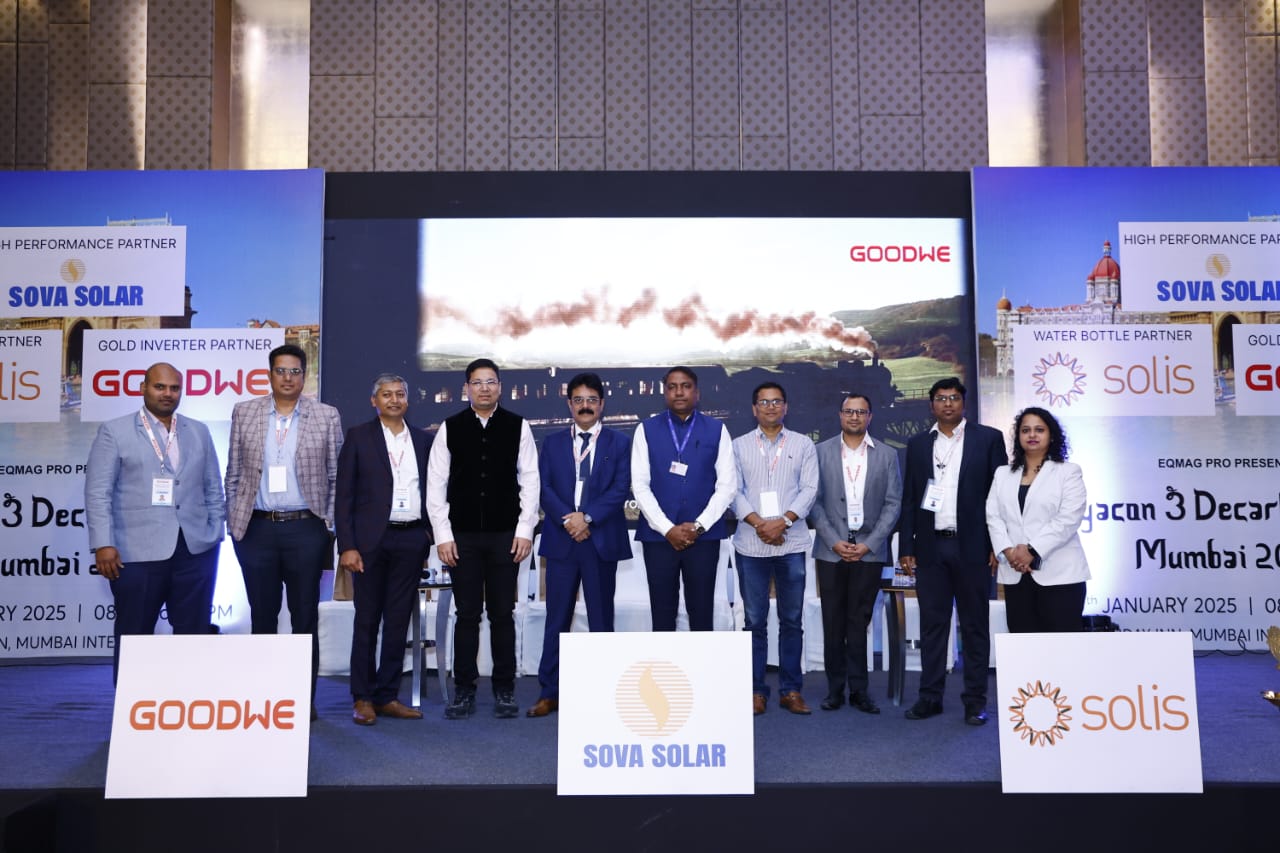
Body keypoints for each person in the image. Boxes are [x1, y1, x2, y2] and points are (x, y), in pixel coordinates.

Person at [84, 362, 226, 682]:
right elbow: (97, 492)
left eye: (174, 388)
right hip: (136, 553)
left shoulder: (198, 431)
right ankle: (130, 710)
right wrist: (103, 543)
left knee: (193, 632)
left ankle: (189, 703)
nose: (167, 394)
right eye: (159, 387)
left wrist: (215, 531)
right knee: (135, 634)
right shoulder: (114, 431)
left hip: (195, 550)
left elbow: (213, 487)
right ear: (143, 389)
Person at [225, 343, 343, 714]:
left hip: (305, 529)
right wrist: (234, 522)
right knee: (262, 616)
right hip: (256, 530)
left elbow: (337, 475)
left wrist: (328, 525)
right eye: (281, 371)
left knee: (304, 617)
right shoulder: (245, 412)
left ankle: (300, 702)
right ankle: (265, 699)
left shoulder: (326, 415)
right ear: (269, 374)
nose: (287, 378)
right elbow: (234, 472)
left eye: (295, 372)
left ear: (304, 376)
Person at [426, 358, 539, 719]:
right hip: (462, 538)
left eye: (491, 382)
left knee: (503, 614)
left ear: (500, 387)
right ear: (467, 388)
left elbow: (530, 481)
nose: (484, 388)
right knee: (467, 615)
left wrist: (524, 530)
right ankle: (464, 691)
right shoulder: (450, 428)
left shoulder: (519, 426)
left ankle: (505, 689)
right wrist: (443, 536)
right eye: (477, 382)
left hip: (506, 536)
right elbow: (435, 485)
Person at [898, 377, 1006, 725]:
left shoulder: (988, 439)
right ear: (931, 405)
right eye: (941, 398)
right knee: (933, 626)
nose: (948, 404)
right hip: (931, 548)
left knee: (974, 626)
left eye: (954, 398)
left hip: (973, 547)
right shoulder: (918, 444)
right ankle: (930, 697)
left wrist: (997, 544)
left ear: (964, 403)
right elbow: (910, 498)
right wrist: (907, 546)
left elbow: (1000, 497)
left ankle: (975, 701)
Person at [528, 372, 632, 718]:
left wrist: (586, 518)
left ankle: (603, 693)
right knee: (557, 619)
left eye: (591, 400)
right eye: (578, 400)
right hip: (562, 540)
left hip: (599, 539)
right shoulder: (552, 443)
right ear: (569, 404)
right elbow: (543, 488)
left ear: (602, 404)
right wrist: (569, 520)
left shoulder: (619, 442)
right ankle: (550, 691)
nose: (585, 406)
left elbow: (620, 489)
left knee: (601, 619)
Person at [335, 374, 433, 726]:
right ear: (374, 401)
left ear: (407, 400)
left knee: (397, 621)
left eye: (400, 394)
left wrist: (427, 535)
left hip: (411, 540)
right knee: (367, 620)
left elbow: (435, 491)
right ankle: (362, 697)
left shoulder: (423, 440)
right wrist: (347, 546)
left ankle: (387, 695)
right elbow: (344, 496)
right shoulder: (358, 437)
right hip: (369, 543)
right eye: (386, 394)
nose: (394, 399)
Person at [810, 392, 901, 715]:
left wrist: (869, 543)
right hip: (830, 550)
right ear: (840, 415)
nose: (854, 417)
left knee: (859, 621)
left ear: (870, 417)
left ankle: (860, 691)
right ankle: (835, 690)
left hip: (869, 551)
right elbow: (813, 501)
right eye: (849, 411)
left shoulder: (887, 455)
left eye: (861, 412)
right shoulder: (820, 452)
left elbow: (893, 504)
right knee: (833, 622)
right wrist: (834, 540)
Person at [732, 382, 818, 716]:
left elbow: (809, 489)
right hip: (751, 545)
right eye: (764, 402)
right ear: (754, 409)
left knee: (792, 620)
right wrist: (761, 524)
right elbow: (733, 491)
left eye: (776, 401)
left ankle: (791, 690)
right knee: (754, 620)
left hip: (790, 543)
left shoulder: (802, 444)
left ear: (786, 407)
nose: (770, 407)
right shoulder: (738, 446)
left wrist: (782, 522)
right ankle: (756, 691)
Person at [631, 366, 736, 631]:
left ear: (697, 393)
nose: (679, 392)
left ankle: (701, 661)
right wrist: (667, 529)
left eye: (686, 386)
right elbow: (639, 485)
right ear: (665, 392)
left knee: (701, 613)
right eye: (672, 387)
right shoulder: (646, 429)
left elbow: (727, 486)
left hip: (703, 537)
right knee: (662, 614)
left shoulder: (717, 429)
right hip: (659, 538)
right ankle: (666, 660)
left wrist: (698, 526)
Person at [986, 407, 1090, 633]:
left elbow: (1068, 519)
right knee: (1023, 647)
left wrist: (1032, 550)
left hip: (1061, 575)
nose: (1032, 435)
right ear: (1018, 437)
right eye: (1025, 430)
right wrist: (1008, 551)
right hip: (1016, 573)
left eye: (1039, 430)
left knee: (1061, 647)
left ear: (1051, 435)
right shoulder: (1002, 474)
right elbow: (993, 516)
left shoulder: (1068, 472)